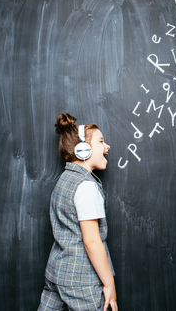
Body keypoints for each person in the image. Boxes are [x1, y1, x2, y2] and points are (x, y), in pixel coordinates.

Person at [38, 113, 117, 311]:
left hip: (56, 273)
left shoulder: (65, 180)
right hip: (81, 281)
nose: (107, 146)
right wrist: (109, 284)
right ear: (83, 149)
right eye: (100, 141)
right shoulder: (86, 187)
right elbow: (91, 241)